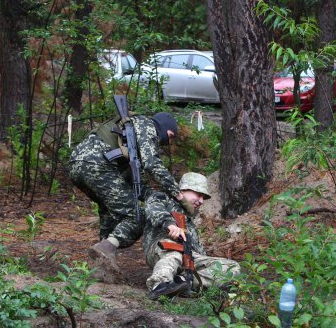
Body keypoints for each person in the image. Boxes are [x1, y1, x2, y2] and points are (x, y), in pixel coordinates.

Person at [69, 111, 181, 278]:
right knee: (137, 215)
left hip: (78, 165)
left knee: (110, 214)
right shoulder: (146, 125)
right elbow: (151, 163)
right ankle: (105, 249)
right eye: (169, 137)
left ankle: (101, 269)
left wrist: (154, 196)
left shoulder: (134, 132)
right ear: (165, 128)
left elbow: (138, 180)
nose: (167, 142)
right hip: (97, 166)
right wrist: (178, 194)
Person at [143, 172, 241, 300]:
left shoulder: (189, 222)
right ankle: (160, 285)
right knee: (174, 254)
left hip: (188, 257)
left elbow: (200, 254)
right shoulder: (162, 197)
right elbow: (153, 209)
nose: (201, 201)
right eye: (199, 195)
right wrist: (170, 225)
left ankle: (183, 283)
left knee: (232, 267)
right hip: (162, 247)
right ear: (184, 190)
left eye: (203, 198)